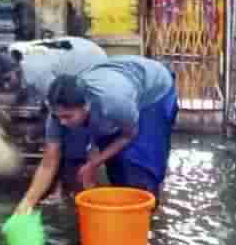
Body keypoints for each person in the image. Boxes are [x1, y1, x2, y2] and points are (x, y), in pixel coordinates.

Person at [14, 56, 179, 216]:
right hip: (118, 80)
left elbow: (129, 134)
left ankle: (144, 215)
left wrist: (94, 163)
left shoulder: (113, 104)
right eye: (59, 116)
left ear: (85, 106)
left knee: (140, 164)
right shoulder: (57, 116)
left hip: (154, 89)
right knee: (117, 167)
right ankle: (120, 211)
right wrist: (27, 202)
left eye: (68, 116)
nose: (62, 122)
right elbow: (49, 162)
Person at [0, 38, 109, 195]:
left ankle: (75, 184)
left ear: (17, 70)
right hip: (81, 52)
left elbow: (56, 111)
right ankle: (61, 182)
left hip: (91, 63)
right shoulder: (12, 55)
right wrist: (10, 112)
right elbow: (27, 92)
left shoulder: (35, 73)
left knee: (72, 125)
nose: (4, 86)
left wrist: (39, 136)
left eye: (6, 80)